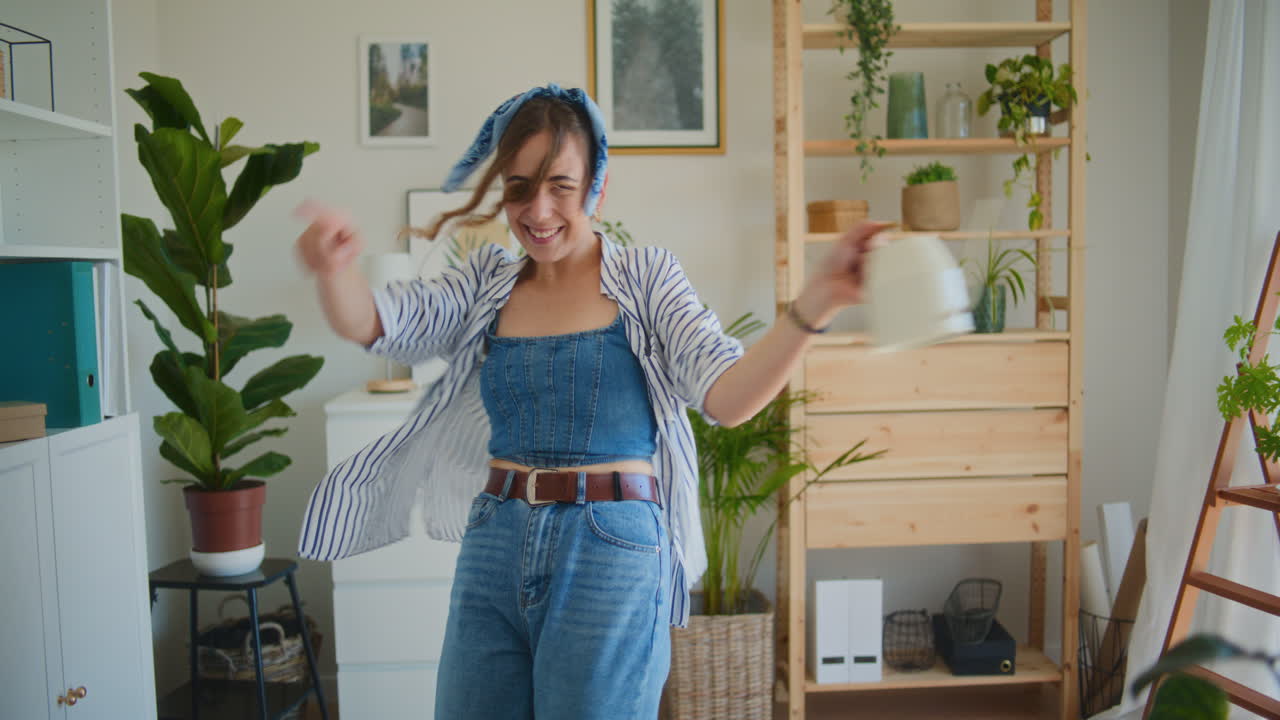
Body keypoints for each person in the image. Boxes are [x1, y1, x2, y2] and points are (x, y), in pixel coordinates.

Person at [295, 84, 886, 719]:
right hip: (494, 541)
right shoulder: (485, 281)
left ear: (596, 188)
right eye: (519, 187)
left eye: (560, 186)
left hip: (610, 549)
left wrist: (816, 302)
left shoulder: (645, 277)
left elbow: (728, 395)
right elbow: (378, 321)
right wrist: (335, 271)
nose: (537, 209)